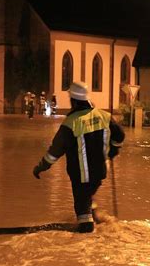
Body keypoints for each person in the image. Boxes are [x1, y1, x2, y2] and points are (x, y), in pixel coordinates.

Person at [32, 81, 125, 233]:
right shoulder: (104, 116)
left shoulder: (70, 123)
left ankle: (87, 235)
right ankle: (94, 214)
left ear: (73, 100)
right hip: (99, 173)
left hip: (80, 177)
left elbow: (55, 151)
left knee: (84, 219)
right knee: (88, 196)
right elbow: (120, 135)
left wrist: (41, 167)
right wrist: (113, 151)